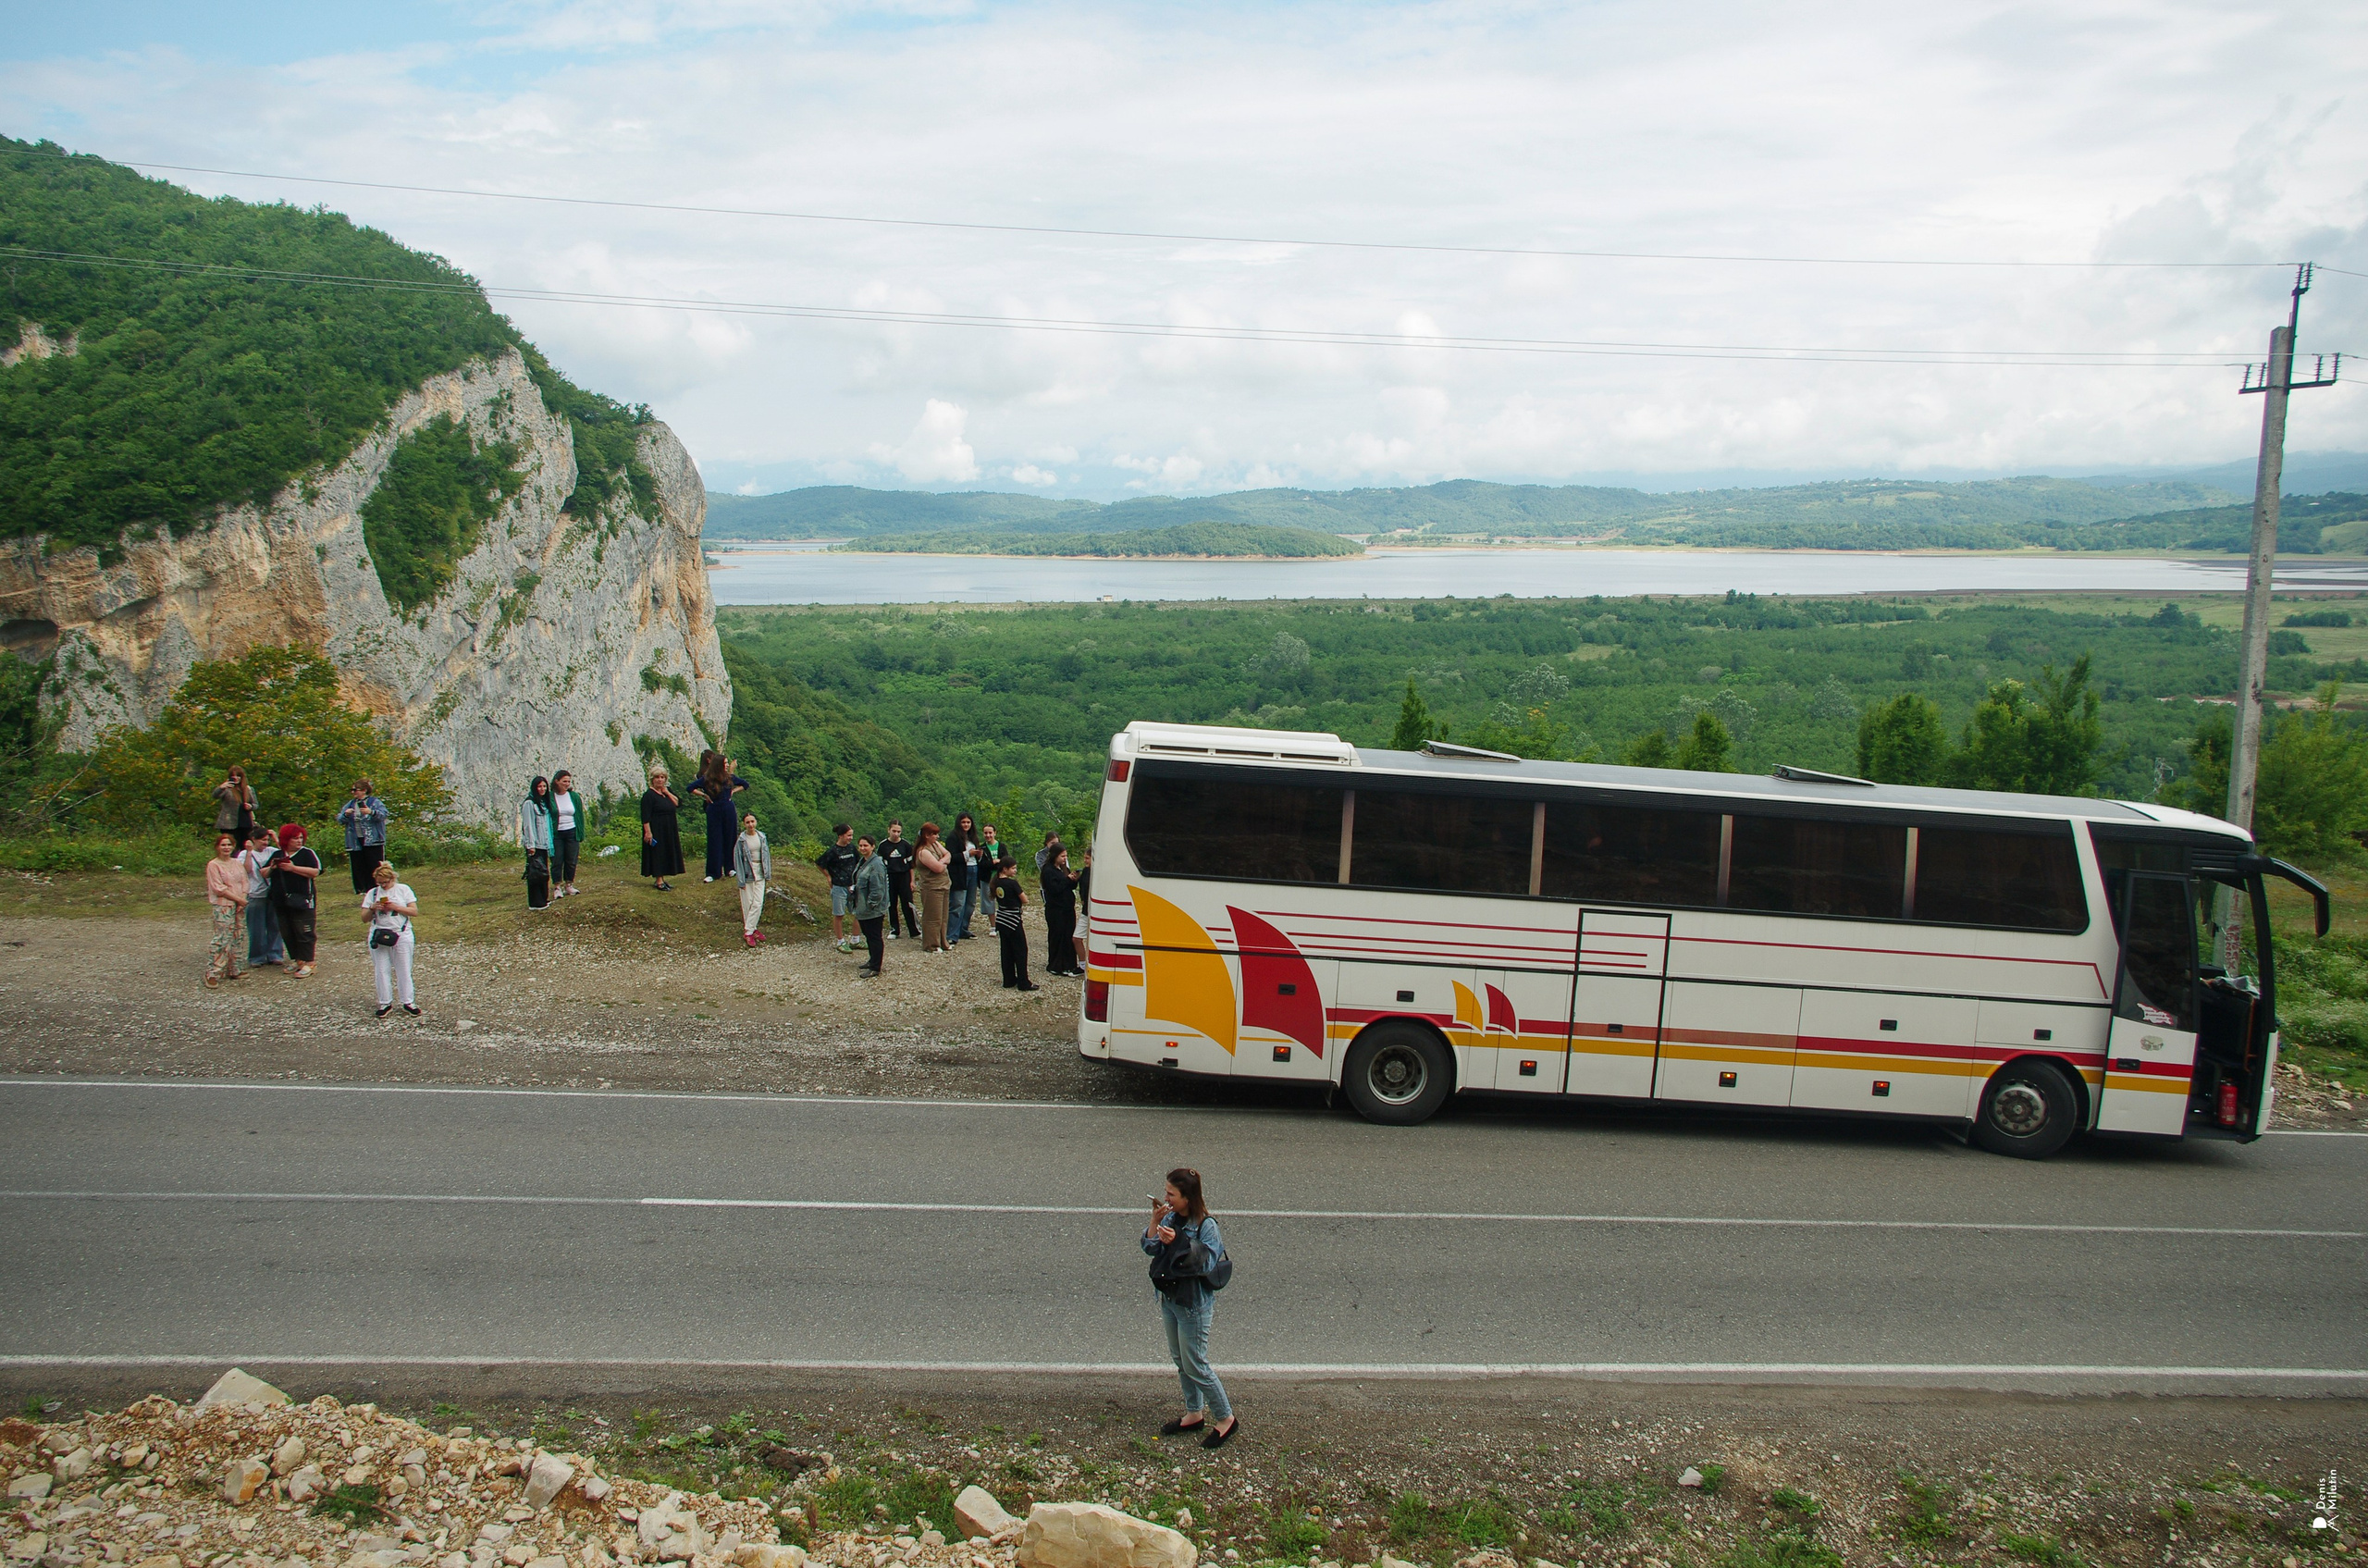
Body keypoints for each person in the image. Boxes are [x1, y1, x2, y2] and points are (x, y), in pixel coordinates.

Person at [1142, 1167, 1236, 1448]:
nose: (1166, 1198)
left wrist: (1179, 1241)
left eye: (1171, 1194)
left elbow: (1206, 1263)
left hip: (1194, 1304)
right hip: (1170, 1299)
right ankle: (1194, 1413)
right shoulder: (1170, 1216)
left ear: (1188, 1197)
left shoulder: (1207, 1226)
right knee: (1181, 1361)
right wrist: (1153, 1224)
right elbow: (1150, 1248)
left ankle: (1226, 1418)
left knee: (1196, 1364)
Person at [362, 859, 420, 1019]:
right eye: (380, 883)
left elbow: (414, 911)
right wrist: (373, 908)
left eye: (386, 883)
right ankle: (385, 1002)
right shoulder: (372, 893)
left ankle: (408, 1001)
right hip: (379, 933)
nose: (383, 886)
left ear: (392, 879)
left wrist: (395, 907)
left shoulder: (403, 890)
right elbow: (364, 918)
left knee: (404, 969)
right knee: (381, 970)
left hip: (401, 933)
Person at [271, 823, 324, 979]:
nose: (299, 841)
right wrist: (273, 867)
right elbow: (264, 873)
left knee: (304, 930)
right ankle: (297, 959)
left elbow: (316, 872)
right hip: (281, 900)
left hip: (303, 899)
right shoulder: (278, 854)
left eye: (301, 838)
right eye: (295, 838)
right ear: (287, 839)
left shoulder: (307, 854)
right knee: (287, 931)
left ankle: (310, 962)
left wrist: (293, 868)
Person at [695, 751, 749, 883]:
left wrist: (733, 791)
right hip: (714, 809)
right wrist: (704, 796)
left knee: (730, 837)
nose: (726, 765)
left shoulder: (729, 777)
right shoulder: (707, 778)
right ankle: (713, 872)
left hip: (728, 809)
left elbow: (745, 784)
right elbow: (690, 787)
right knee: (715, 839)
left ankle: (730, 868)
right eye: (724, 763)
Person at [203, 833, 246, 989]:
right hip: (223, 905)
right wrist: (238, 899)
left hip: (239, 904)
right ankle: (212, 973)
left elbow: (244, 881)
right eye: (223, 845)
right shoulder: (213, 865)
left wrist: (243, 898)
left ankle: (235, 968)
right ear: (217, 847)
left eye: (229, 845)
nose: (226, 848)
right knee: (222, 937)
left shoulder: (236, 863)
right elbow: (218, 888)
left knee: (238, 935)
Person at [991, 853, 1038, 992]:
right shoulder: (1012, 883)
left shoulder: (995, 882)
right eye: (1013, 868)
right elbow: (1024, 899)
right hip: (1013, 919)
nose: (1015, 871)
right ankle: (1023, 982)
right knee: (1021, 950)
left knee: (1006, 950)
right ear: (1004, 869)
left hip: (1001, 918)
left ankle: (1009, 979)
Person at [242, 825, 286, 969]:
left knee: (275, 925)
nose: (265, 843)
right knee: (257, 928)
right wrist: (249, 852)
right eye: (262, 840)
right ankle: (257, 956)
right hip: (255, 894)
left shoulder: (272, 851)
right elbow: (246, 870)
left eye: (267, 840)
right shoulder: (244, 854)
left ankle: (275, 954)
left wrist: (276, 839)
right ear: (253, 839)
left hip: (272, 893)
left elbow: (285, 854)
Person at [338, 779, 389, 895]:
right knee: (357, 864)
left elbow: (384, 814)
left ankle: (376, 887)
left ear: (364, 790)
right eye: (352, 790)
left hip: (373, 839)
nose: (353, 792)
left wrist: (371, 812)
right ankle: (360, 888)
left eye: (355, 790)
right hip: (355, 840)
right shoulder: (350, 804)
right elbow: (340, 819)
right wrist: (346, 814)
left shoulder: (374, 802)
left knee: (374, 863)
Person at [814, 824, 860, 952]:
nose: (851, 838)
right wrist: (828, 876)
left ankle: (855, 940)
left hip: (852, 885)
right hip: (839, 886)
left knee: (858, 913)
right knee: (839, 914)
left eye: (852, 835)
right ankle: (840, 941)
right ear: (840, 836)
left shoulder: (852, 848)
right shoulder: (833, 851)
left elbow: (859, 862)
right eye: (848, 835)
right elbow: (819, 863)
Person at [640, 768, 684, 890]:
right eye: (657, 777)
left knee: (667, 852)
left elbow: (678, 803)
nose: (660, 780)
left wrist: (667, 792)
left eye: (662, 777)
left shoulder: (667, 792)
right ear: (652, 779)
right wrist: (648, 832)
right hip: (657, 828)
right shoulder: (648, 795)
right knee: (658, 853)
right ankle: (659, 880)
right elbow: (645, 816)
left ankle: (663, 879)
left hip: (669, 828)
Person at [852, 833, 889, 978]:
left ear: (873, 846)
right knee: (868, 935)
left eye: (865, 845)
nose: (862, 848)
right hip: (862, 907)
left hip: (872, 909)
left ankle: (875, 967)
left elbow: (877, 889)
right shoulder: (863, 862)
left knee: (874, 937)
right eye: (860, 845)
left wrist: (871, 905)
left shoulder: (876, 864)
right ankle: (872, 960)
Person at [1041, 846, 1081, 977]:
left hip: (1067, 908)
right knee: (1057, 936)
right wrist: (1067, 879)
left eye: (1066, 856)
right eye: (1062, 856)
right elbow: (1054, 889)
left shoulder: (1063, 868)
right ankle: (1055, 965)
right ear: (1055, 856)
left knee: (1068, 936)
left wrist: (1074, 880)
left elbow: (1069, 885)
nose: (1065, 859)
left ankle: (1069, 964)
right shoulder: (1048, 870)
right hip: (1055, 909)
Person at [733, 811, 771, 947]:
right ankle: (750, 930)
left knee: (758, 903)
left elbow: (766, 855)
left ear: (756, 822)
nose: (750, 824)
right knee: (748, 903)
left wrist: (768, 873)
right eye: (747, 822)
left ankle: (750, 930)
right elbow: (737, 859)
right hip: (748, 873)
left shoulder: (762, 837)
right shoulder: (741, 841)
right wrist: (740, 879)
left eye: (752, 821)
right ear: (744, 824)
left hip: (760, 872)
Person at [914, 821, 952, 954]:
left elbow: (948, 855)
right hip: (932, 888)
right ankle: (931, 944)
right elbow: (938, 868)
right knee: (933, 917)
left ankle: (942, 941)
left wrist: (942, 860)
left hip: (944, 885)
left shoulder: (935, 845)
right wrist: (942, 862)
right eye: (934, 834)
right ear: (927, 835)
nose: (937, 837)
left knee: (943, 917)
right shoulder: (923, 852)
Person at [520, 775, 555, 910]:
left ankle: (544, 899)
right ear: (535, 787)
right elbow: (528, 825)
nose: (542, 789)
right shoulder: (529, 803)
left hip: (544, 842)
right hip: (535, 843)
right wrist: (531, 845)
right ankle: (535, 902)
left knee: (543, 872)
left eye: (544, 786)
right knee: (535, 873)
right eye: (539, 786)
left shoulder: (543, 803)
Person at [549, 771, 585, 897]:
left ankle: (569, 885)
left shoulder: (573, 796)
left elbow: (579, 815)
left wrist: (580, 833)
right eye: (564, 781)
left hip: (572, 830)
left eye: (568, 781)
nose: (567, 784)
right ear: (557, 781)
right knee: (557, 860)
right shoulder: (550, 797)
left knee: (571, 859)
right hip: (557, 833)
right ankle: (557, 886)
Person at [879, 821, 917, 940]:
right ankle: (894, 929)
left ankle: (914, 930)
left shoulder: (906, 845)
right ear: (888, 830)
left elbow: (911, 866)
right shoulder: (883, 845)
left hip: (904, 876)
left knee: (908, 904)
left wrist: (912, 881)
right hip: (890, 876)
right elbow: (880, 865)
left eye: (898, 831)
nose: (896, 834)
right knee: (891, 904)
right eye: (894, 831)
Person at [947, 813, 980, 942]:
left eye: (968, 822)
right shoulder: (953, 837)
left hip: (974, 869)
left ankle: (963, 929)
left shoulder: (973, 838)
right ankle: (951, 934)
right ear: (959, 823)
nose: (966, 825)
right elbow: (951, 857)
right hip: (960, 872)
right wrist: (967, 854)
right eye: (963, 822)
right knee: (957, 903)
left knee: (970, 903)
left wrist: (978, 854)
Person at [214, 766, 258, 846]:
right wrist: (221, 787)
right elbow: (215, 796)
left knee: (244, 845)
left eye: (238, 776)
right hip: (229, 823)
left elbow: (256, 805)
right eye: (233, 776)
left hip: (245, 822)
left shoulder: (248, 789)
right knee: (231, 845)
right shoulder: (227, 789)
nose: (236, 778)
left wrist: (250, 806)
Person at [1073, 845, 1092, 975]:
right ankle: (1083, 964)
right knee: (1078, 938)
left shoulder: (1096, 873)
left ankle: (1085, 965)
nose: (1085, 861)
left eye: (1087, 858)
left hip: (1092, 910)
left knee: (1078, 938)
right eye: (1084, 858)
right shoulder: (1085, 871)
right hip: (1086, 909)